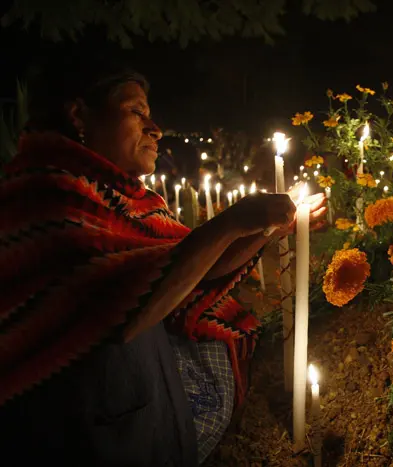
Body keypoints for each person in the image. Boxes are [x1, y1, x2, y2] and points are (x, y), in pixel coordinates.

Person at [0, 61, 325, 466]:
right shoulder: (45, 195)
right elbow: (128, 308)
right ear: (79, 116)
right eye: (137, 112)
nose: (155, 127)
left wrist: (272, 226)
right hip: (72, 430)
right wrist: (234, 221)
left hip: (123, 405)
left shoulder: (120, 198)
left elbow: (193, 267)